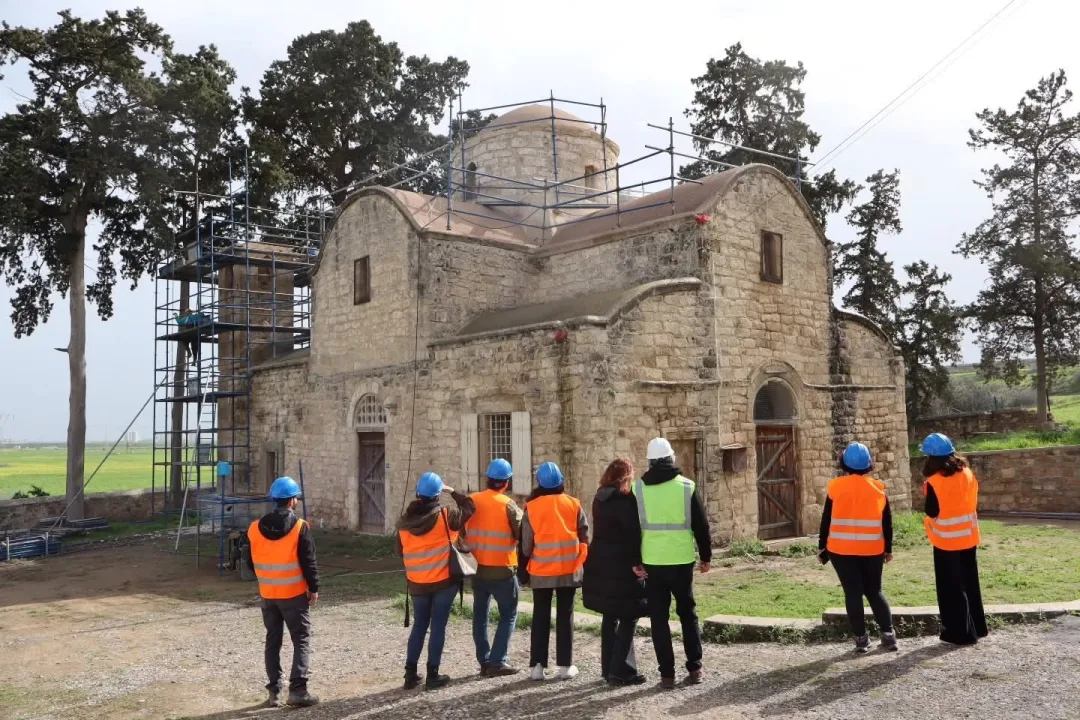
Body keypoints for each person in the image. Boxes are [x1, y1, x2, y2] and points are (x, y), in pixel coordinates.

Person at [635, 438, 712, 690]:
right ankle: (695, 668)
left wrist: (635, 561)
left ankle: (667, 675)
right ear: (672, 459)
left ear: (649, 462)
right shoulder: (687, 487)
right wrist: (706, 556)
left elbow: (632, 531)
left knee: (659, 619)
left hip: (652, 563)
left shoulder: (638, 489)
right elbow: (701, 525)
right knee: (687, 614)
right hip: (681, 561)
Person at [396, 472, 476, 690]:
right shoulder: (446, 516)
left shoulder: (403, 524)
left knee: (419, 626)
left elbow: (401, 552)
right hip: (443, 581)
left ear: (418, 494)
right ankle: (433, 675)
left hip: (417, 583)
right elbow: (470, 507)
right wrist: (454, 492)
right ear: (438, 494)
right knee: (438, 625)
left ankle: (410, 675)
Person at [245, 476, 320, 708]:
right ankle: (298, 691)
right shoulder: (299, 527)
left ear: (274, 500)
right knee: (301, 639)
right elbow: (309, 562)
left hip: (268, 594)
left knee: (273, 640)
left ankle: (274, 692)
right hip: (294, 594)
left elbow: (248, 562)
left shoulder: (254, 528)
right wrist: (314, 588)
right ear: (292, 500)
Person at [818, 442, 898, 654]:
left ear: (844, 463)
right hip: (872, 548)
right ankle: (889, 636)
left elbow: (826, 519)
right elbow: (887, 522)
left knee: (852, 593)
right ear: (868, 464)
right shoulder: (878, 489)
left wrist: (822, 547)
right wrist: (888, 549)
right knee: (875, 591)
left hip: (840, 549)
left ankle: (861, 640)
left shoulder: (835, 487)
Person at [521, 461, 589, 681]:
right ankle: (565, 667)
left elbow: (525, 547)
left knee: (540, 615)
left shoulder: (532, 507)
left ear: (539, 483)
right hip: (569, 570)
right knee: (565, 614)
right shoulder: (574, 504)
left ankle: (537, 667)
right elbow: (584, 537)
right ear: (561, 482)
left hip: (541, 571)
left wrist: (524, 569)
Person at [583, 458, 648, 686]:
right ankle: (622, 670)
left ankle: (608, 669)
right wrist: (637, 563)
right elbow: (632, 535)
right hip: (621, 562)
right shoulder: (625, 501)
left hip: (601, 559)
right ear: (626, 478)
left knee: (610, 615)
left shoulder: (599, 498)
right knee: (629, 614)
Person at [921, 432, 988, 645]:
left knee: (951, 588)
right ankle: (977, 627)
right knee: (970, 583)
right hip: (969, 536)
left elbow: (931, 511)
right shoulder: (967, 473)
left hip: (946, 540)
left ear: (931, 458)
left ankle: (959, 633)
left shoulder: (934, 482)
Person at [466, 458, 523, 678]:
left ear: (487, 479)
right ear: (507, 482)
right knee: (508, 614)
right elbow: (522, 533)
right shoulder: (508, 505)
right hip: (502, 569)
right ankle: (497, 662)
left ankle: (484, 660)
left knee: (480, 615)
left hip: (476, 568)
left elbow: (460, 531)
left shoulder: (472, 501)